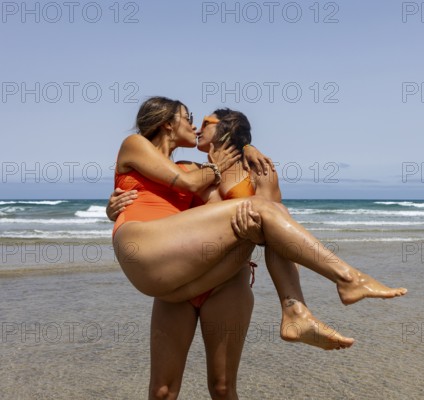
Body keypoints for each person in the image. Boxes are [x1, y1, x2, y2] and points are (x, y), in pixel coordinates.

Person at [110, 96, 407, 397]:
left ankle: (297, 308)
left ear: (227, 129)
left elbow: (278, 235)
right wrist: (114, 209)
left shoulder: (257, 170)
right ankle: (345, 281)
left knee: (223, 388)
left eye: (204, 123)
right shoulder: (189, 168)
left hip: (227, 280)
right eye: (190, 119)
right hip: (181, 275)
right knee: (162, 392)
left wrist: (246, 147)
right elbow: (165, 195)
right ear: (168, 123)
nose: (196, 127)